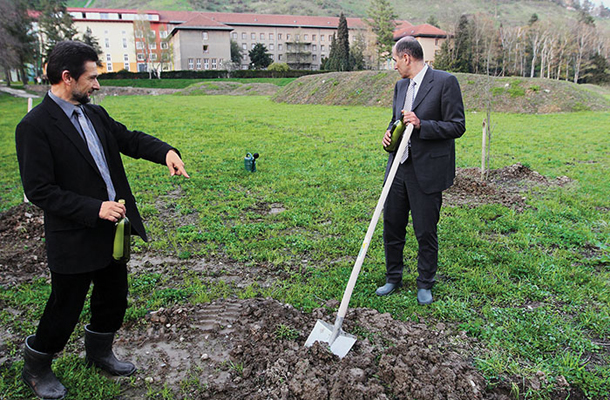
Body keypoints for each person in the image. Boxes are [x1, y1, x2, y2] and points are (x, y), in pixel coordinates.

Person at [15, 41, 190, 399]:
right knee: (65, 307)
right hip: (73, 235)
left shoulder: (95, 115)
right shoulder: (34, 126)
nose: (97, 85)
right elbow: (39, 190)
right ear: (67, 78)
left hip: (111, 231)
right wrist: (94, 208)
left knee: (114, 297)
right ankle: (36, 366)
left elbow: (130, 139)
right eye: (91, 78)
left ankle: (99, 353)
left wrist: (167, 152)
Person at [376, 36, 465, 304]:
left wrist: (422, 124)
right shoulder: (400, 86)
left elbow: (457, 125)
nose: (393, 66)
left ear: (406, 58)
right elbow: (396, 120)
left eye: (394, 59)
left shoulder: (445, 82)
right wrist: (389, 134)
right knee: (392, 226)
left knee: (425, 230)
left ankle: (425, 282)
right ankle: (393, 277)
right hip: (398, 169)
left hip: (427, 171)